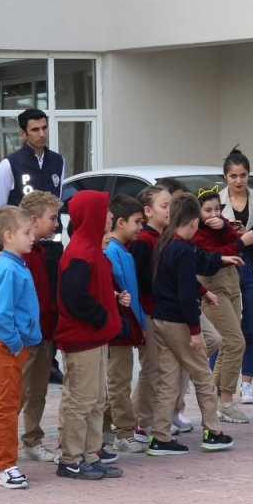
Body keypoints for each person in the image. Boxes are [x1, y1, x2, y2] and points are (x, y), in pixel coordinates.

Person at [146, 194, 236, 456]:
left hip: (160, 320)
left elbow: (176, 282)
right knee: (203, 377)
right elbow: (184, 293)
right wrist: (195, 331)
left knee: (168, 381)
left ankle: (159, 437)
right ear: (195, 222)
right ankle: (213, 432)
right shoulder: (184, 250)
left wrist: (202, 291)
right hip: (179, 322)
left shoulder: (164, 243)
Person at [55, 190, 123, 479]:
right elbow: (73, 296)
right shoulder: (81, 251)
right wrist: (102, 316)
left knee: (96, 400)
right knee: (81, 401)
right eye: (105, 210)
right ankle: (70, 458)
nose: (109, 216)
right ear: (93, 214)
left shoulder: (91, 247)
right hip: (82, 338)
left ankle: (90, 455)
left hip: (95, 337)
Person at [0, 205, 40, 489]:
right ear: (8, 235)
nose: (33, 238)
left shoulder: (14, 265)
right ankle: (5, 466)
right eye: (27, 233)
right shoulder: (8, 268)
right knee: (8, 407)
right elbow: (1, 316)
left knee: (8, 404)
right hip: (5, 346)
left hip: (9, 345)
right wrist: (16, 345)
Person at [220, 148, 253, 405]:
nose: (239, 181)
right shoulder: (216, 202)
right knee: (224, 330)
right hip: (226, 270)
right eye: (233, 176)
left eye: (243, 175)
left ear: (249, 175)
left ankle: (247, 383)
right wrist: (237, 237)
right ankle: (215, 382)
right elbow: (209, 240)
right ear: (225, 177)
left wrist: (250, 238)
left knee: (251, 327)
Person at [191, 190, 248, 424]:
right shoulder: (196, 232)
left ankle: (214, 402)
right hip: (213, 285)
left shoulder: (223, 225)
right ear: (198, 213)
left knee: (228, 343)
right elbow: (211, 257)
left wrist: (229, 233)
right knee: (236, 342)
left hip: (232, 281)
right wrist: (238, 242)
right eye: (207, 210)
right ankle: (226, 401)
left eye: (217, 209)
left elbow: (236, 244)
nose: (214, 215)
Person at [17, 191, 61, 463]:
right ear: (34, 220)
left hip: (44, 333)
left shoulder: (42, 250)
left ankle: (32, 439)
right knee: (17, 394)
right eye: (52, 218)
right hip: (25, 336)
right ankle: (1, 444)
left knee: (38, 391)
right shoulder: (22, 255)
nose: (56, 224)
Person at [103, 194, 149, 453]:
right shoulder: (111, 252)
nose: (141, 228)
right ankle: (123, 433)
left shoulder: (123, 251)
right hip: (117, 330)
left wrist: (139, 321)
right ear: (120, 222)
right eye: (137, 222)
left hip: (127, 326)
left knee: (117, 380)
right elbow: (113, 293)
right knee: (119, 382)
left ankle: (105, 426)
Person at [128, 185, 172, 443]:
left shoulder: (163, 237)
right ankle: (138, 420)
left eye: (170, 206)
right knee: (151, 367)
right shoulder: (143, 242)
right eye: (164, 206)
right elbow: (140, 281)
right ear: (148, 211)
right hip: (148, 311)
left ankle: (154, 415)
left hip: (161, 310)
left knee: (160, 367)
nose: (169, 211)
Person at [0, 108, 65, 209]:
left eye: (44, 128)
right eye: (35, 130)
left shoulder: (59, 160)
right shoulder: (9, 164)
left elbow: (58, 200)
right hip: (22, 224)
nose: (42, 134)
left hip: (53, 224)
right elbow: (0, 208)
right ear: (23, 133)